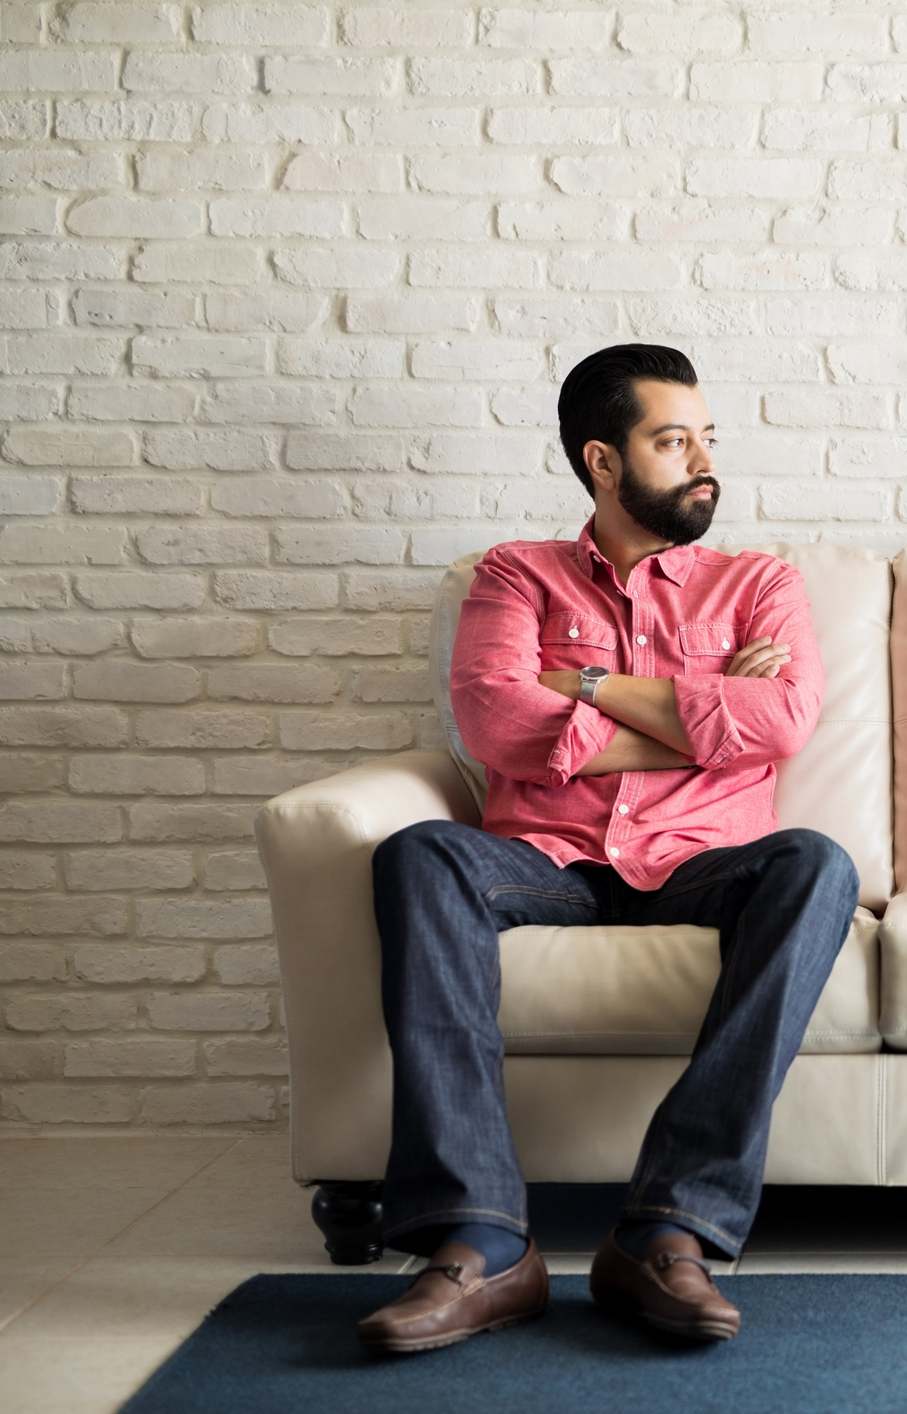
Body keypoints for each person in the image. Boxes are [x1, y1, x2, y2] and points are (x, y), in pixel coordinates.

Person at [355, 344, 858, 1353]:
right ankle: (485, 1242)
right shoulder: (514, 574)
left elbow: (784, 719)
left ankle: (670, 1226)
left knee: (815, 865)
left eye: (707, 439)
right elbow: (499, 725)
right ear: (602, 461)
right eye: (673, 442)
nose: (702, 461)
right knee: (419, 854)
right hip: (547, 859)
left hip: (702, 862)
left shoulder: (759, 583)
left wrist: (580, 685)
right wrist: (703, 712)